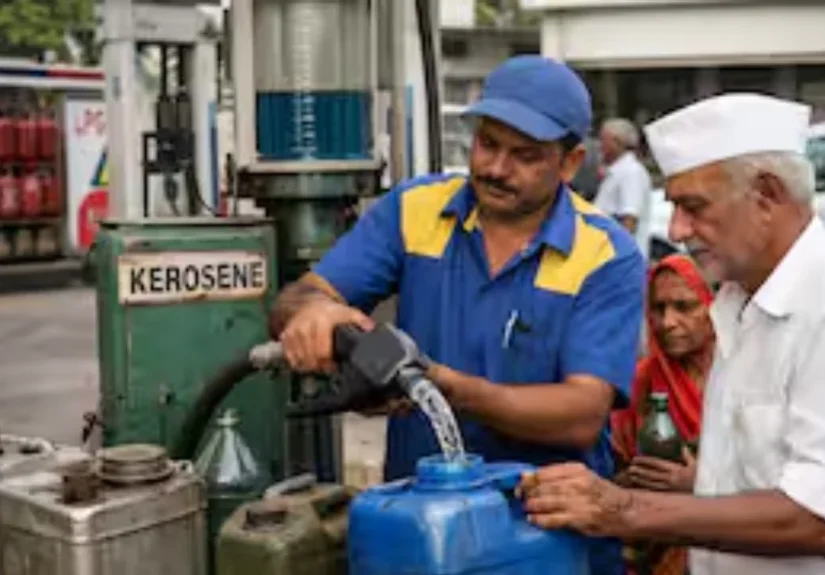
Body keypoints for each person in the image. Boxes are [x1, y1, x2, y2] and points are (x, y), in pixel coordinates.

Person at [270, 55, 646, 575]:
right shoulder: (415, 210)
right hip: (421, 535)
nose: (496, 168)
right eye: (487, 144)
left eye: (524, 155)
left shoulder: (606, 255)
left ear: (569, 162)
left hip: (546, 540)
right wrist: (315, 313)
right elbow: (302, 296)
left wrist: (445, 386)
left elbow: (582, 414)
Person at [518, 92, 825, 575]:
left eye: (693, 207)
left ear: (767, 195)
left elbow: (813, 516)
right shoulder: (737, 300)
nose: (678, 230)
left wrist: (625, 510)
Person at [611, 253, 715, 575]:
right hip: (649, 546)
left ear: (712, 306)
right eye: (658, 308)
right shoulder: (639, 382)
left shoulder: (741, 377)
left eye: (684, 307)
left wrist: (698, 483)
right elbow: (611, 475)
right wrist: (640, 480)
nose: (668, 321)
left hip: (727, 541)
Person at [595, 118, 653, 259]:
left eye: (603, 140)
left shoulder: (631, 171)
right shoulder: (618, 172)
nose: (599, 146)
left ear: (617, 142)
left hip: (620, 260)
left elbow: (629, 220)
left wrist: (617, 257)